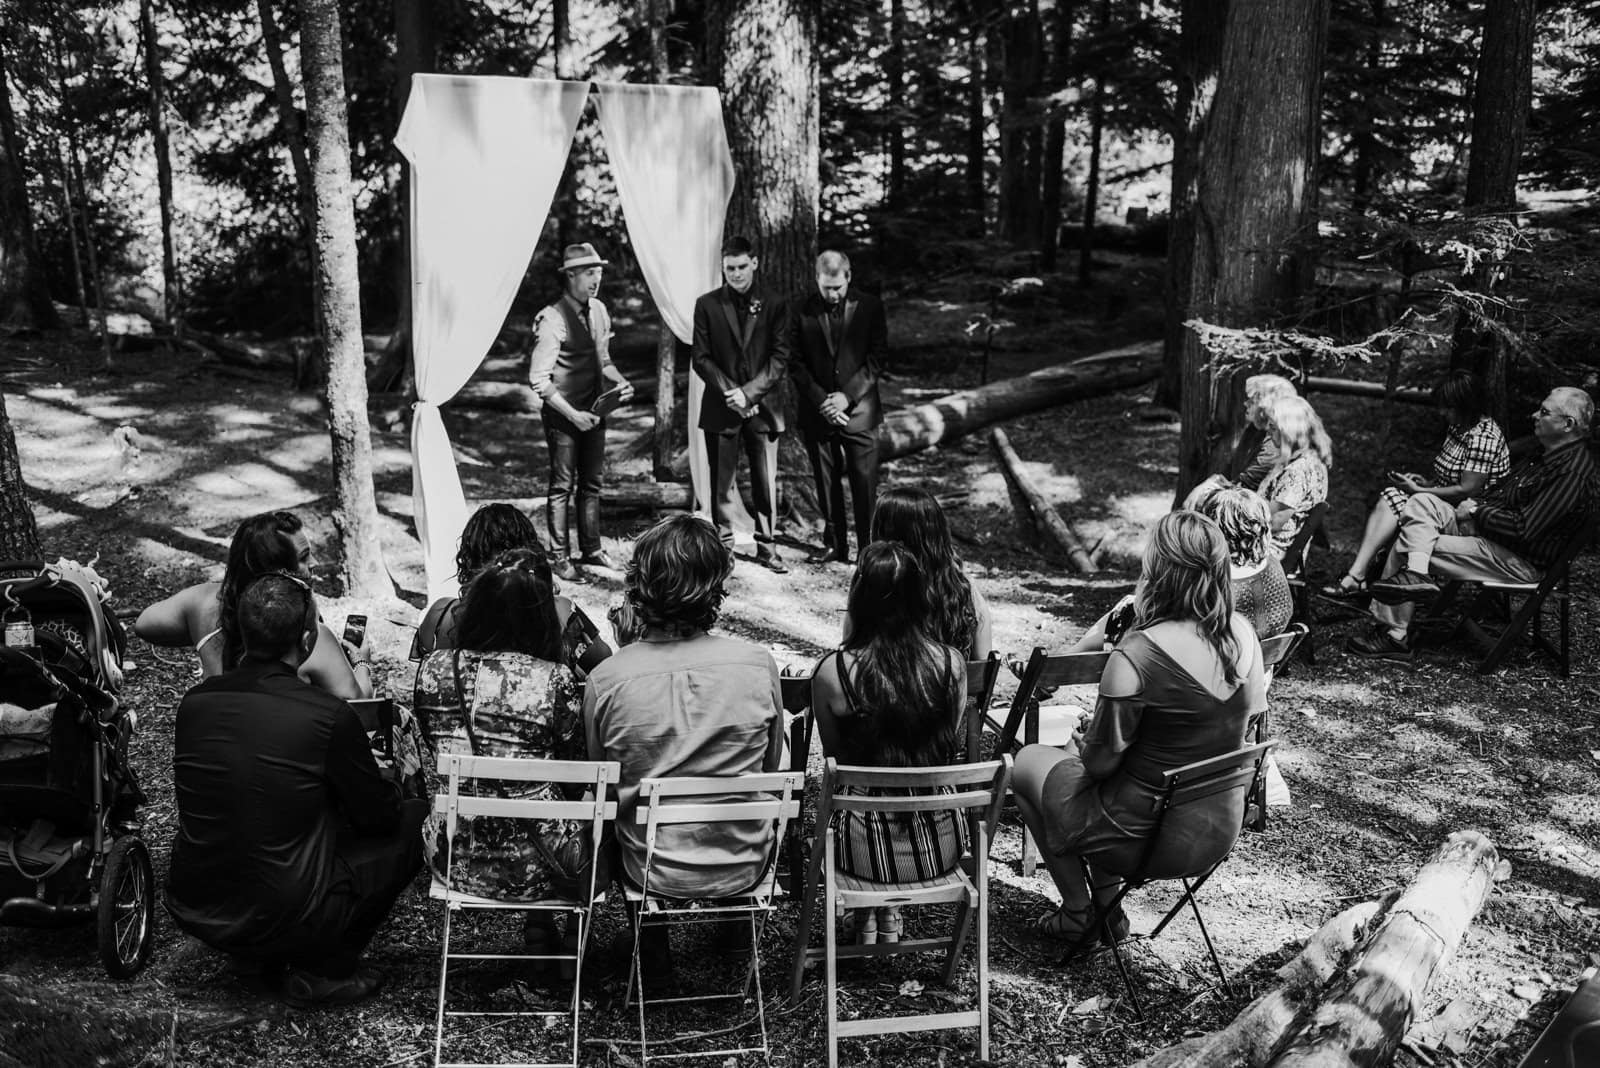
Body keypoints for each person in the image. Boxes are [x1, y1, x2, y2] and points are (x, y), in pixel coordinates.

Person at [166, 572, 425, 1007]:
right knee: (415, 820)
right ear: (307, 641)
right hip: (283, 911)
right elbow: (377, 817)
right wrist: (396, 781)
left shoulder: (195, 703)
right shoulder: (326, 715)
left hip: (196, 901)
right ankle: (326, 969)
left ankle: (252, 955)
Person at [1010, 512, 1265, 941]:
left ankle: (1080, 912)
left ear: (1158, 571)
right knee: (1114, 786)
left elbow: (1098, 765)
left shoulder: (1136, 656)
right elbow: (1233, 723)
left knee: (1028, 764)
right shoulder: (1244, 636)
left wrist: (1084, 742)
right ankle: (1107, 913)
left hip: (1147, 836)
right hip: (1219, 826)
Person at [583, 515, 785, 977]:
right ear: (716, 587)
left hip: (650, 866)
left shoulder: (607, 681)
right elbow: (769, 767)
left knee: (615, 814)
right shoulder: (757, 666)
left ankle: (651, 948)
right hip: (743, 860)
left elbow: (603, 791)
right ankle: (737, 935)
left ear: (640, 584)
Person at [413, 549, 602, 964]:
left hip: (452, 854)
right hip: (537, 867)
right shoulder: (553, 680)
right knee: (594, 807)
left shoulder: (433, 669)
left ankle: (547, 936)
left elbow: (436, 745)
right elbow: (576, 768)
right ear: (540, 615)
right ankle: (573, 942)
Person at [1349, 386, 1598, 661]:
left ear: (1568, 424)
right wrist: (1471, 509)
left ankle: (1395, 636)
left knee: (1407, 543)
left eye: (1544, 411)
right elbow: (1503, 494)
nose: (1534, 415)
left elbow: (1524, 529)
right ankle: (1417, 574)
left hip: (1516, 559)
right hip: (1490, 537)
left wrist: (1477, 511)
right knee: (1419, 503)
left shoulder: (1571, 472)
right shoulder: (1545, 455)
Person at [812, 541, 966, 944]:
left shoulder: (835, 672)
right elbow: (944, 745)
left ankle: (868, 912)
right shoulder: (951, 664)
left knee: (855, 788)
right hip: (939, 842)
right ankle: (887, 912)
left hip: (861, 845)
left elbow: (837, 762)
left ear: (858, 597)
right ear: (920, 597)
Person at [135, 510, 371, 699]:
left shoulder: (204, 604)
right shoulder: (310, 637)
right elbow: (360, 705)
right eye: (303, 557)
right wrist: (361, 662)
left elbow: (145, 624)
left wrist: (215, 632)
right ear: (278, 572)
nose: (315, 563)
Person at [1325, 370, 1511, 597]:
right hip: (1443, 505)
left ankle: (1362, 578)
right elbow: (1451, 478)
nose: (1443, 413)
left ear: (1466, 406)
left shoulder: (1484, 437)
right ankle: (1359, 574)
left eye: (1448, 408)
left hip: (1469, 518)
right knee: (1392, 496)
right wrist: (1427, 483)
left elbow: (1467, 489)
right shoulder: (1458, 427)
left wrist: (1421, 490)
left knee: (1399, 504)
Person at [528, 242, 634, 581]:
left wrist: (621, 383)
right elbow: (539, 380)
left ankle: (592, 549)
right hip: (563, 416)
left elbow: (604, 360)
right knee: (562, 486)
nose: (596, 279)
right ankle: (559, 556)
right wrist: (573, 415)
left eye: (599, 272)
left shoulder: (600, 311)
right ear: (571, 275)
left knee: (593, 484)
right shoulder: (552, 318)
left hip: (596, 411)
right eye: (589, 273)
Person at [410, 503, 611, 676]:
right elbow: (603, 663)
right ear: (528, 553)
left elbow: (427, 676)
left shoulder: (439, 615)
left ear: (469, 558)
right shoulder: (561, 611)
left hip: (459, 720)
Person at [691, 236, 792, 573]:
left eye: (741, 267)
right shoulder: (706, 304)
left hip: (763, 408)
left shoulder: (775, 303)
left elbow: (779, 358)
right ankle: (723, 547)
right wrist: (731, 394)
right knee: (721, 481)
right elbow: (700, 359)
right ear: (723, 267)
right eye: (729, 268)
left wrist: (749, 394)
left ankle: (768, 545)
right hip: (722, 407)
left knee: (765, 480)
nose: (735, 274)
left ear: (755, 263)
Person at [789, 250, 888, 565]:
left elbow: (877, 358)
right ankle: (835, 544)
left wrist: (847, 396)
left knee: (864, 483)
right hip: (818, 413)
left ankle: (868, 548)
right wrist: (822, 400)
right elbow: (795, 361)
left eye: (838, 287)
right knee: (825, 482)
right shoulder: (799, 310)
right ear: (817, 278)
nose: (832, 294)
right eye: (826, 287)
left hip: (859, 411)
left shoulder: (871, 307)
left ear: (848, 277)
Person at [863, 486, 992, 658]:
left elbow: (851, 658)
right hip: (951, 683)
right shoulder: (962, 589)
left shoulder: (872, 584)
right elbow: (984, 663)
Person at [1257, 395, 1332, 558]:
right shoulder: (1310, 459)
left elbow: (1275, 522)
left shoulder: (1298, 470)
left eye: (1273, 427)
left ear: (1289, 430)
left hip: (1270, 552)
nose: (1268, 433)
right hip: (1268, 546)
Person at [1230, 374, 1299, 490]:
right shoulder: (1256, 432)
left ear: (1266, 407)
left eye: (1252, 401)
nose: (1245, 404)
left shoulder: (1274, 443)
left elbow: (1245, 485)